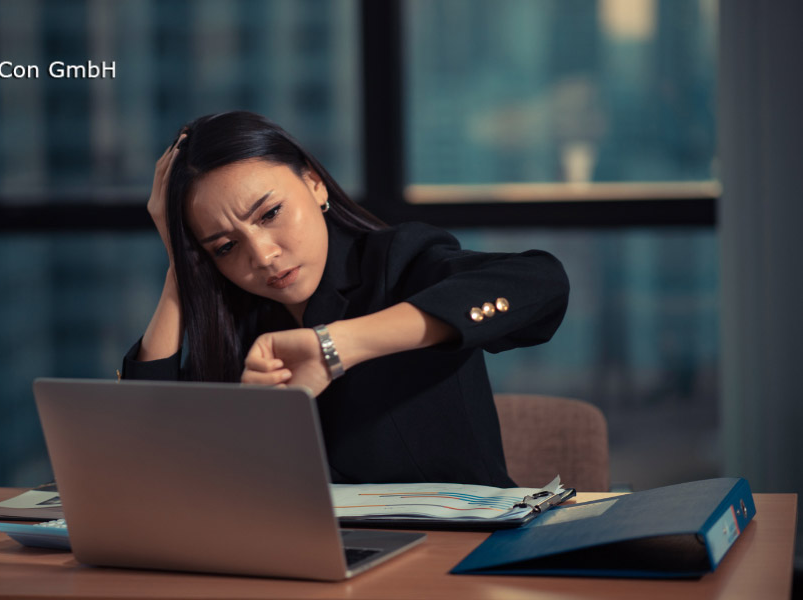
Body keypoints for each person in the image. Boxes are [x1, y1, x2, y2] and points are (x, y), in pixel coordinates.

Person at [121, 111, 569, 487]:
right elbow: (145, 459)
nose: (262, 255)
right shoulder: (233, 315)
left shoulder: (398, 260)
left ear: (314, 184)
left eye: (270, 213)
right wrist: (181, 265)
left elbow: (540, 281)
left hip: (451, 553)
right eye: (224, 246)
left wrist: (337, 347)